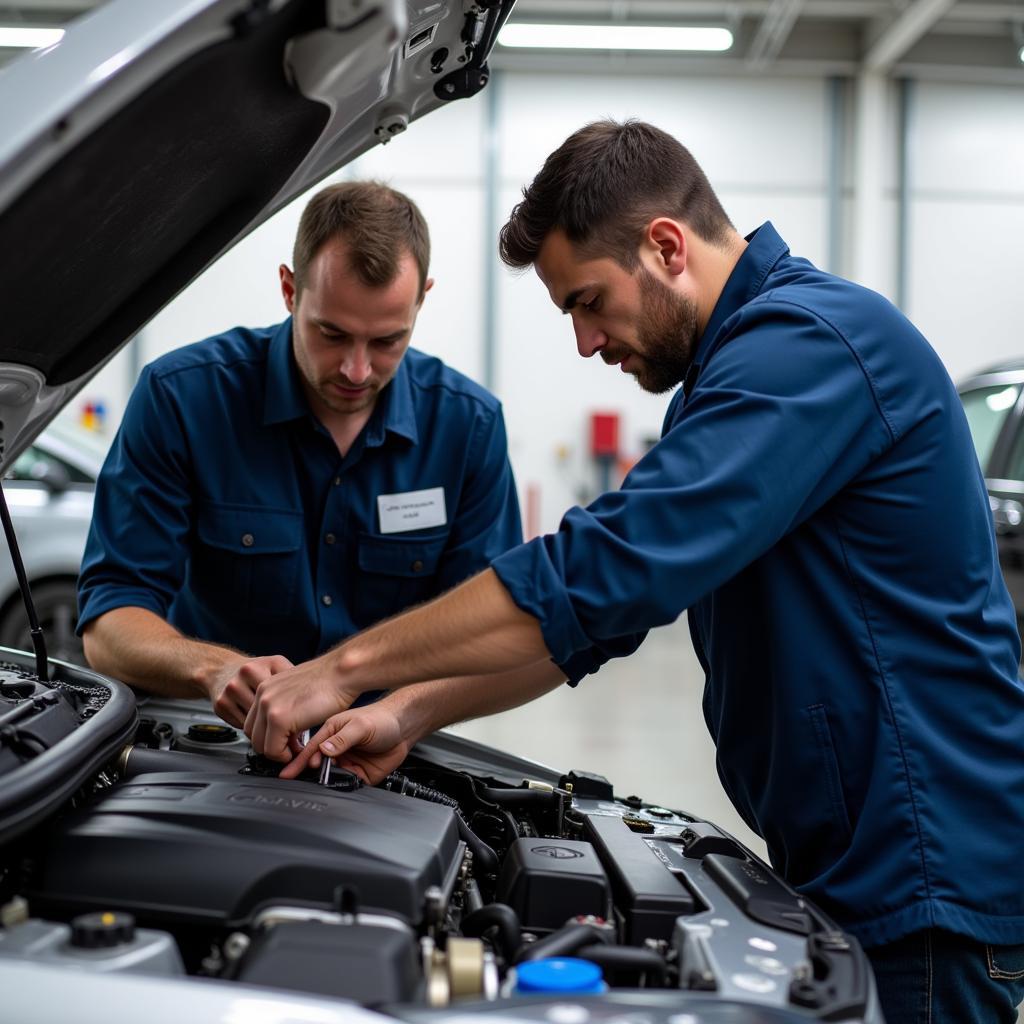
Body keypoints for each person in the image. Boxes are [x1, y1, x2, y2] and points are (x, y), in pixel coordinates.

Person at [244, 121, 1024, 1021]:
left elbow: (603, 571)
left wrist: (340, 671)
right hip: (866, 864)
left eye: (588, 301)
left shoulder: (809, 350)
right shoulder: (731, 377)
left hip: (923, 874)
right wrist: (406, 712)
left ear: (664, 246)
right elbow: (601, 623)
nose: (583, 342)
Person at [77, 180, 522, 728]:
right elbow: (109, 622)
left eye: (386, 341)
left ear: (421, 298)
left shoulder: (467, 428)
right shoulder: (183, 400)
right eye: (331, 333)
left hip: (388, 746)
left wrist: (395, 718)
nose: (357, 370)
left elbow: (488, 637)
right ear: (290, 290)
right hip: (206, 738)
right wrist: (214, 670)